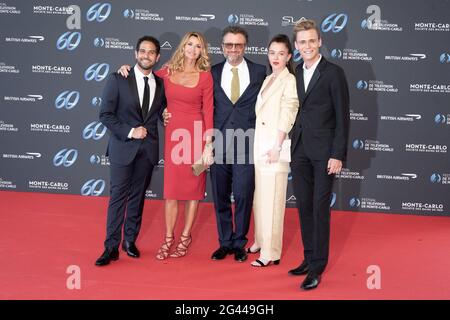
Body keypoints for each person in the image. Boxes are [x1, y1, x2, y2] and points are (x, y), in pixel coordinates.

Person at [118, 32, 214, 260]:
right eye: (189, 44)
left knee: (193, 193)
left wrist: (207, 145)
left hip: (196, 136)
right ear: (183, 46)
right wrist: (127, 69)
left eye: (198, 46)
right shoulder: (167, 72)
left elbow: (208, 111)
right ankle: (168, 237)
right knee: (171, 193)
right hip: (174, 138)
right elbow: (145, 78)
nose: (192, 49)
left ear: (202, 51)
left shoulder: (205, 77)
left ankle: (185, 238)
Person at [288, 19, 350, 289]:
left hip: (325, 153)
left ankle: (317, 267)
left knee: (319, 208)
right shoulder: (294, 71)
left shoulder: (334, 73)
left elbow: (342, 116)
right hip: (299, 149)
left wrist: (338, 154)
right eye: (303, 42)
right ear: (296, 45)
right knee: (303, 207)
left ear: (320, 42)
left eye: (312, 40)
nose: (308, 45)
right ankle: (308, 256)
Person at [95, 36, 166, 266]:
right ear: (136, 54)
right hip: (122, 148)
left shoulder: (162, 83)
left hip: (147, 151)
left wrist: (166, 115)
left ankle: (130, 241)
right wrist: (130, 131)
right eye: (142, 51)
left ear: (157, 57)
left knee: (137, 198)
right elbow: (105, 114)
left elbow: (162, 111)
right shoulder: (118, 78)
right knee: (118, 198)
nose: (146, 55)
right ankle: (111, 247)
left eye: (151, 52)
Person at [210, 26, 266, 263]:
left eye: (238, 45)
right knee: (220, 195)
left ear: (245, 46)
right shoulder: (210, 72)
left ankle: (240, 242)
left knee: (243, 195)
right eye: (229, 45)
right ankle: (224, 242)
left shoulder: (260, 71)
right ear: (222, 47)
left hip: (247, 145)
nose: (233, 49)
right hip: (219, 143)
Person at [247, 34, 299, 267]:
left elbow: (289, 112)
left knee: (273, 202)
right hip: (261, 146)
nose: (276, 57)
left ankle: (271, 252)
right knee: (260, 198)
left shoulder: (289, 80)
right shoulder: (269, 78)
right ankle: (260, 240)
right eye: (272, 53)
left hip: (275, 148)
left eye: (281, 53)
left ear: (289, 56)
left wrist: (277, 146)